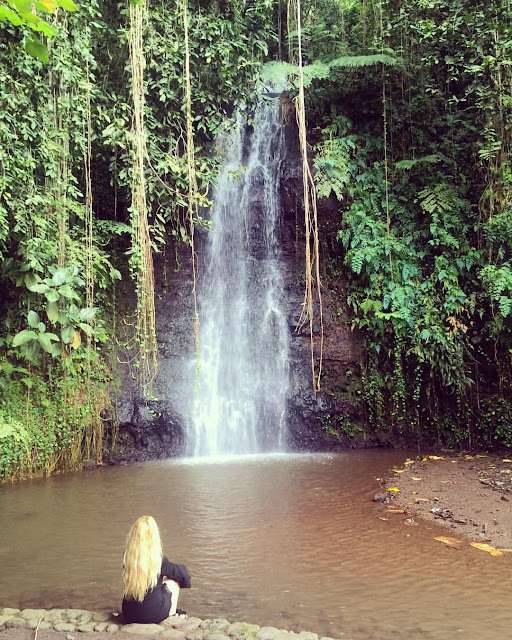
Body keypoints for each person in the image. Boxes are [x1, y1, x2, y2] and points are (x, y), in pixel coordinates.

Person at [122, 515, 191, 624]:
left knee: (156, 579)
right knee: (172, 582)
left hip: (129, 614)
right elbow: (177, 573)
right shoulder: (158, 559)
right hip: (151, 615)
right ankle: (171, 615)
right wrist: (186, 580)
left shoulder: (128, 557)